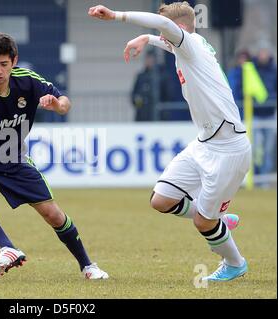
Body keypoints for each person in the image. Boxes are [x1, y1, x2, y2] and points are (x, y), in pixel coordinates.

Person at [89, 2, 251, 282]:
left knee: (203, 221)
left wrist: (117, 16)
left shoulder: (188, 44)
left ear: (180, 29)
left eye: (166, 31)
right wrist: (147, 39)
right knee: (161, 200)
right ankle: (219, 221)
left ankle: (235, 263)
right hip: (204, 144)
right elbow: (165, 35)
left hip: (228, 149)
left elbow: (165, 28)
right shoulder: (192, 44)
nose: (163, 37)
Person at [0, 32, 109, 279]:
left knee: (53, 215)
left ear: (14, 61)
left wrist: (57, 104)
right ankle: (8, 247)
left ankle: (88, 266)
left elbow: (65, 102)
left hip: (12, 158)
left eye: (4, 64)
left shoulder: (27, 81)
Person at [252, 45, 277, 180]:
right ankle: (256, 176)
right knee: (255, 149)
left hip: (270, 114)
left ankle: (265, 179)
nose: (263, 55)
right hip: (254, 115)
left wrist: (269, 99)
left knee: (268, 149)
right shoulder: (252, 69)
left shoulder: (274, 70)